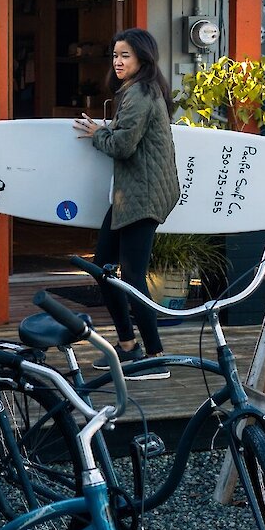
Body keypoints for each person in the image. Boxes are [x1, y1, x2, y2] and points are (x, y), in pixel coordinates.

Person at [72, 27, 179, 380]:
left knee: (131, 277)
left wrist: (96, 134)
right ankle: (129, 347)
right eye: (115, 55)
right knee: (103, 267)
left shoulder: (139, 95)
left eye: (125, 56)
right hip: (131, 195)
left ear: (142, 59)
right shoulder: (141, 91)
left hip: (142, 196)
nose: (117, 62)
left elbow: (123, 146)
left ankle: (156, 357)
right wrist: (106, 129)